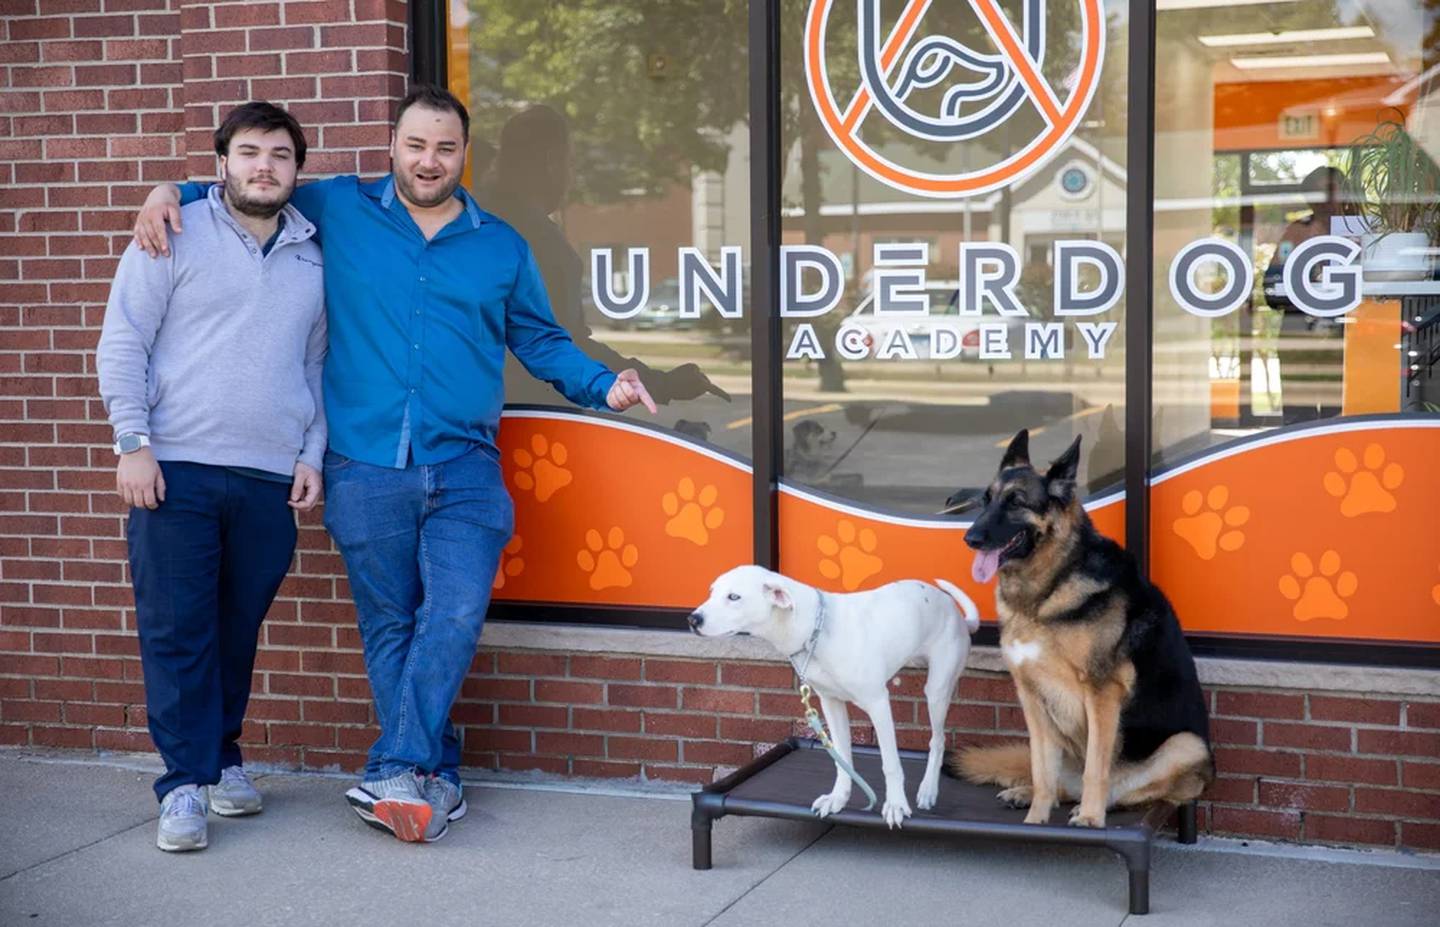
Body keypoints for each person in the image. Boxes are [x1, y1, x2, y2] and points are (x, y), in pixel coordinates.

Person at [132, 85, 655, 844]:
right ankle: (435, 775)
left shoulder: (500, 245)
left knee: (454, 614)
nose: (428, 160)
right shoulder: (340, 207)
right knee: (389, 625)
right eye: (415, 145)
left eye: (445, 147)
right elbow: (252, 183)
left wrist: (604, 384)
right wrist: (167, 192)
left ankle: (394, 765)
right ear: (393, 147)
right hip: (365, 463)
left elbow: (540, 340)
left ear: (465, 154)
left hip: (465, 461)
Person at [99, 101, 326, 852]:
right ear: (221, 163)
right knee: (178, 630)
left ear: (297, 169)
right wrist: (133, 442)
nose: (265, 167)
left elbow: (315, 366)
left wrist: (311, 452)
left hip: (267, 476)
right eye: (250, 152)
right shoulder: (173, 231)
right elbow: (124, 338)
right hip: (176, 470)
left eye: (281, 155)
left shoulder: (312, 255)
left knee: (235, 629)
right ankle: (183, 785)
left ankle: (222, 757)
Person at [480, 104, 727, 410]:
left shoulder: (471, 223)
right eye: (569, 163)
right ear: (551, 163)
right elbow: (565, 348)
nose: (571, 176)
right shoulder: (539, 242)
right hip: (533, 418)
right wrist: (661, 383)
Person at [1262, 165, 1355, 424]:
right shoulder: (1297, 231)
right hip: (1299, 333)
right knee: (1298, 418)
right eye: (1316, 192)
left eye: (1330, 190)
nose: (1324, 199)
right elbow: (1273, 285)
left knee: (1340, 417)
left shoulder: (1358, 229)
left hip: (1345, 334)